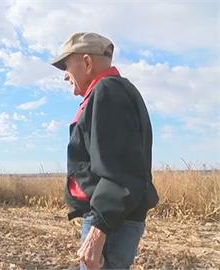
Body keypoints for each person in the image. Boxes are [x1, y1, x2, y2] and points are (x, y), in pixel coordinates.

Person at [51, 32, 159, 269]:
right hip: (113, 218)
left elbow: (119, 170)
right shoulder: (112, 91)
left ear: (87, 62)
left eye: (67, 67)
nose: (65, 77)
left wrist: (99, 230)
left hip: (112, 222)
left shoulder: (108, 91)